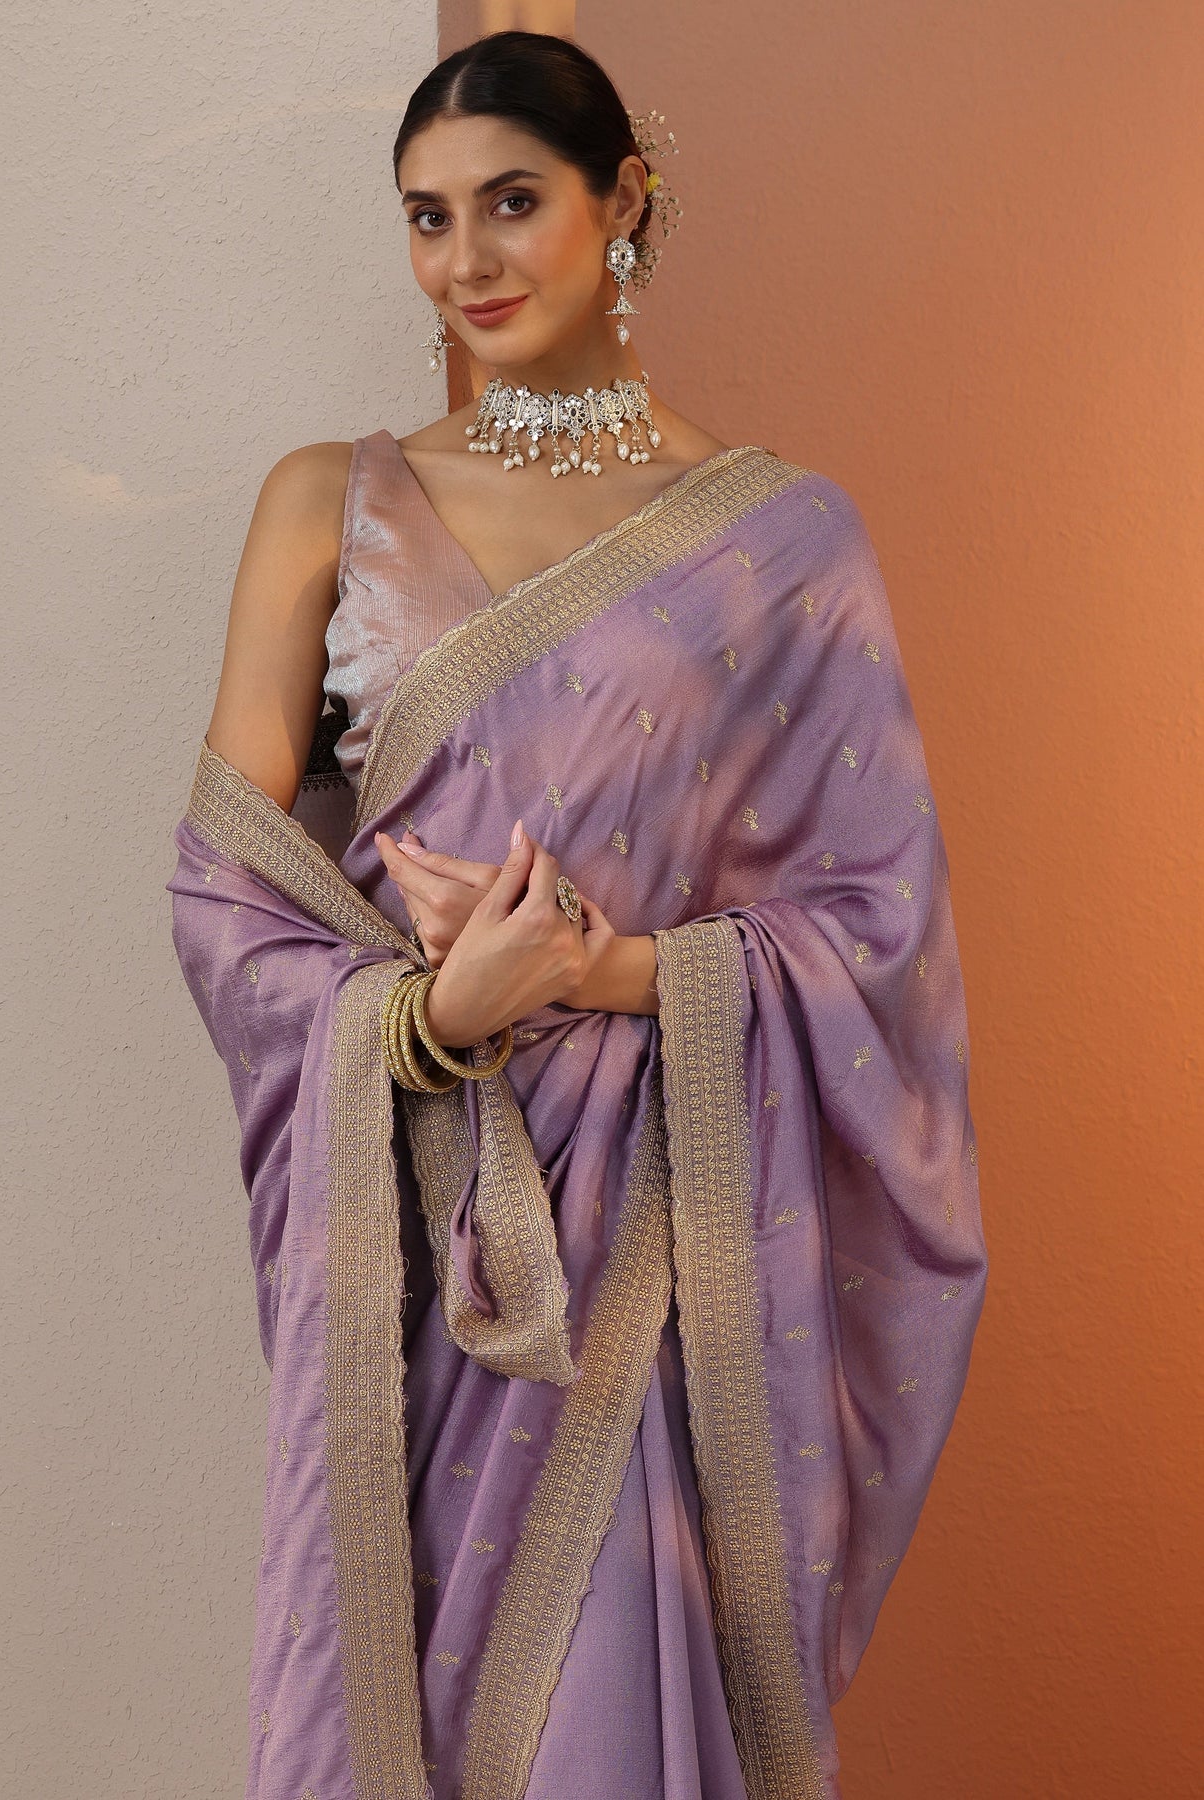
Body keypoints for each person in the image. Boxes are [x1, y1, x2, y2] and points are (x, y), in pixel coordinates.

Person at [165, 30, 987, 1800]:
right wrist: (429, 1015)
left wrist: (606, 968)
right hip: (414, 1234)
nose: (464, 260)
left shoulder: (781, 542)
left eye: (511, 202)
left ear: (624, 202)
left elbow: (878, 932)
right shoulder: (326, 502)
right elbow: (224, 892)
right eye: (427, 216)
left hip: (651, 1249)